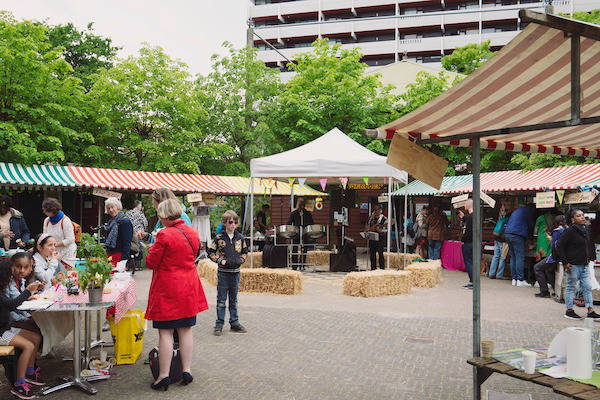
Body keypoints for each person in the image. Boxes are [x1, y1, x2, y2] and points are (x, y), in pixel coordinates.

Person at [145, 199, 208, 390]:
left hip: (168, 288)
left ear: (164, 216)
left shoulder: (163, 235)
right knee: (186, 329)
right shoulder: (192, 232)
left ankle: (164, 375)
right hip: (188, 286)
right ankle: (186, 370)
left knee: (165, 332)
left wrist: (152, 246)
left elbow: (151, 262)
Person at [0, 258, 45, 399]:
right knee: (28, 346)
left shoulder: (2, 291)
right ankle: (19, 384)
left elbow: (12, 303)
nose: (12, 279)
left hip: (5, 329)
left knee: (36, 337)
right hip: (1, 332)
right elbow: (12, 304)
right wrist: (27, 292)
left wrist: (27, 296)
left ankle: (30, 373)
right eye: (10, 275)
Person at [208, 210, 248, 336]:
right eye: (231, 222)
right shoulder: (219, 238)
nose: (233, 224)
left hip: (235, 273)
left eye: (235, 222)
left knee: (233, 300)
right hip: (223, 273)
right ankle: (219, 324)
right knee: (221, 300)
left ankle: (234, 323)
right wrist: (220, 261)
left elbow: (245, 251)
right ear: (225, 223)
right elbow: (210, 252)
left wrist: (241, 260)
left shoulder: (240, 238)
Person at [557, 209, 600, 320]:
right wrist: (565, 263)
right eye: (578, 216)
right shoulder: (569, 231)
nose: (582, 217)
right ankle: (569, 310)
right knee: (571, 287)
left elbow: (588, 245)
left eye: (582, 215)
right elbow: (559, 246)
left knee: (587, 287)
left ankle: (590, 310)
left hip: (584, 264)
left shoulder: (586, 229)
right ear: (573, 219)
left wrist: (591, 258)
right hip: (573, 265)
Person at [503, 204, 536, 287]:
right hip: (517, 234)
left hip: (508, 233)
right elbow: (531, 224)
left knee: (513, 257)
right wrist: (531, 235)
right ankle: (520, 279)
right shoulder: (529, 211)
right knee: (519, 257)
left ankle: (514, 279)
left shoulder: (518, 210)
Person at [534, 215, 566, 298]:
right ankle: (556, 290)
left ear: (557, 223)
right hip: (563, 257)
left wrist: (550, 239)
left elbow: (553, 246)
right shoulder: (567, 230)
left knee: (537, 268)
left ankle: (544, 291)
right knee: (549, 271)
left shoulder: (557, 231)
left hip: (555, 257)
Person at [41, 198, 77, 268]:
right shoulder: (47, 221)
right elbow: (45, 237)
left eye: (45, 210)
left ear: (52, 211)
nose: (43, 211)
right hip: (53, 252)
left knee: (64, 275)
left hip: (67, 253)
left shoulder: (65, 220)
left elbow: (70, 239)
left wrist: (54, 244)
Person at [104, 197, 133, 267]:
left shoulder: (125, 222)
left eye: (112, 207)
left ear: (118, 207)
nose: (110, 210)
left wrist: (124, 260)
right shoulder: (111, 222)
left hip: (119, 256)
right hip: (111, 255)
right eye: (108, 208)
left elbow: (127, 242)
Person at [287, 198, 314, 270]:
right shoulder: (294, 213)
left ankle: (301, 265)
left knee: (304, 249)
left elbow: (311, 224)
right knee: (295, 249)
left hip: (304, 233)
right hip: (296, 233)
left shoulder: (307, 213)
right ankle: (295, 265)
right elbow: (289, 224)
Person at [488, 210, 509, 279]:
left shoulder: (501, 220)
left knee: (496, 256)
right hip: (503, 241)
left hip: (496, 239)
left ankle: (491, 273)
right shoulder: (509, 221)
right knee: (503, 257)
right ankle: (499, 275)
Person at [366, 205, 387, 270]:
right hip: (372, 238)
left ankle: (382, 268)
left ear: (380, 210)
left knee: (380, 254)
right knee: (372, 254)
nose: (375, 211)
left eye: (376, 210)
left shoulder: (384, 219)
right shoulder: (371, 218)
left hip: (380, 239)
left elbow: (385, 229)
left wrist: (380, 230)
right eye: (374, 210)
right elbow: (367, 227)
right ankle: (373, 268)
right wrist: (372, 228)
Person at [459, 199, 474, 289]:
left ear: (468, 205)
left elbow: (468, 232)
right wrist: (463, 217)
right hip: (472, 242)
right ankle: (472, 281)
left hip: (468, 242)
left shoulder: (472, 217)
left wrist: (462, 239)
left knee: (468, 262)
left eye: (465, 204)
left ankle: (472, 281)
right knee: (471, 262)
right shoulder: (472, 216)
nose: (464, 205)